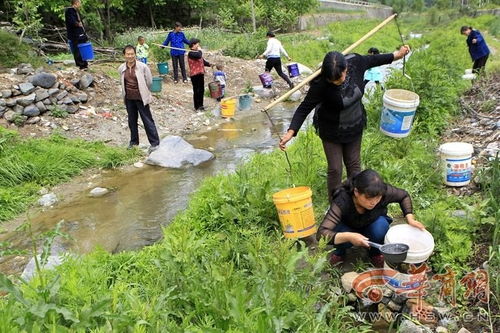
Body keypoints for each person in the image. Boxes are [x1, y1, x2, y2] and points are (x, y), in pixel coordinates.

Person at [279, 45, 410, 203]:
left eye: (338, 78)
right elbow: (303, 108)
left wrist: (399, 54)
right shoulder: (320, 84)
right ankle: (335, 205)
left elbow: (377, 59)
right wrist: (291, 132)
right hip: (330, 129)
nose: (336, 83)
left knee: (354, 165)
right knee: (335, 169)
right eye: (331, 80)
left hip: (354, 124)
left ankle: (355, 201)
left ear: (346, 69)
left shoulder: (356, 62)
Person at [317, 169, 426, 268]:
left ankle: (375, 252)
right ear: (356, 192)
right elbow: (321, 234)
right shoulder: (343, 200)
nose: (374, 202)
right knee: (337, 232)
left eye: (378, 198)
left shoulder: (382, 192)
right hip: (348, 228)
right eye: (368, 198)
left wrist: (410, 218)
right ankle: (340, 251)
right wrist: (349, 236)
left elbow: (404, 196)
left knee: (380, 227)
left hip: (371, 224)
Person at [118, 45, 160, 153]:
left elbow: (149, 82)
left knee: (147, 120)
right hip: (129, 98)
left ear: (135, 54)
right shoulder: (122, 68)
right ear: (124, 55)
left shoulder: (143, 67)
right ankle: (133, 142)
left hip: (141, 98)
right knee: (132, 121)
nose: (130, 56)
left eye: (132, 54)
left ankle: (155, 143)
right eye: (128, 54)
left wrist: (143, 91)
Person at [187, 38, 212, 112]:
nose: (198, 45)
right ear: (193, 45)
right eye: (197, 44)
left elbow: (202, 61)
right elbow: (199, 55)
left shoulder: (197, 52)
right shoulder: (191, 53)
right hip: (195, 75)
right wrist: (200, 50)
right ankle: (197, 107)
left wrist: (210, 64)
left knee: (201, 90)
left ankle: (201, 105)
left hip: (200, 74)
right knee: (196, 90)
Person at [65, 0, 88, 70]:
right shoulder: (69, 11)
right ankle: (80, 64)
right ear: (76, 3)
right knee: (77, 49)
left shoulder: (76, 11)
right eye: (79, 3)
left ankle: (84, 63)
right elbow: (72, 21)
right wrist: (78, 24)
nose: (80, 5)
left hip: (80, 33)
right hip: (74, 34)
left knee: (83, 48)